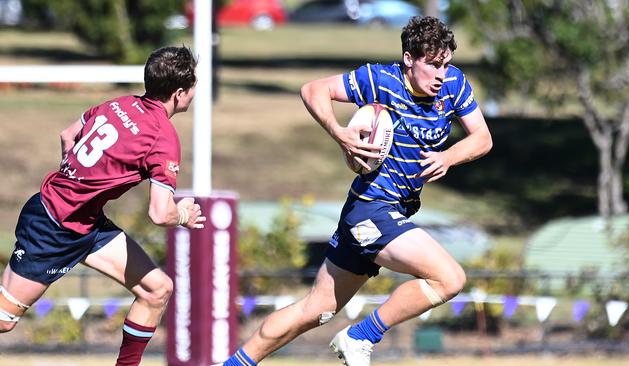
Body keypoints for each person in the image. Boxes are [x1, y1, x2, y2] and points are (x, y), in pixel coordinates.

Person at [219, 16, 493, 366]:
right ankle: (360, 336)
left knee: (315, 310)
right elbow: (313, 89)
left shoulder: (453, 86)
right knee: (448, 278)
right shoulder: (381, 80)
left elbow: (482, 138)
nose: (441, 74)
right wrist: (338, 131)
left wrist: (449, 157)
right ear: (409, 59)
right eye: (433, 65)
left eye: (446, 65)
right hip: (372, 208)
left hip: (389, 213)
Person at [0, 46, 206, 366]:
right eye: (193, 87)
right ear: (180, 93)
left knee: (157, 289)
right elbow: (159, 213)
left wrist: (74, 181)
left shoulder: (120, 103)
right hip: (54, 226)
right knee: (3, 319)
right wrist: (183, 215)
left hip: (86, 223)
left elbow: (68, 135)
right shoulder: (163, 137)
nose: (194, 93)